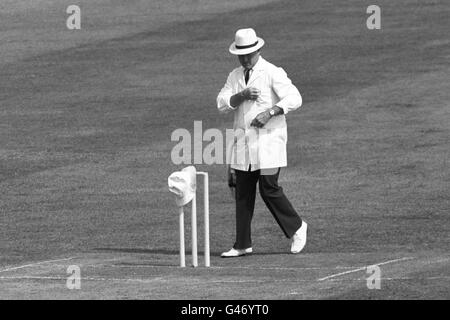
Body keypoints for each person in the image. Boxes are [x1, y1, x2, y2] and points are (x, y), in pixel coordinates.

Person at [217, 28, 308, 257]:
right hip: (243, 144)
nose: (246, 59)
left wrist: (271, 112)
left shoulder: (272, 72)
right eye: (241, 55)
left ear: (258, 49)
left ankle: (297, 227)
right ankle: (242, 244)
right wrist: (242, 96)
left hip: (269, 144)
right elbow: (221, 103)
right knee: (243, 191)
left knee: (269, 187)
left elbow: (295, 97)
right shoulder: (234, 76)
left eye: (249, 53)